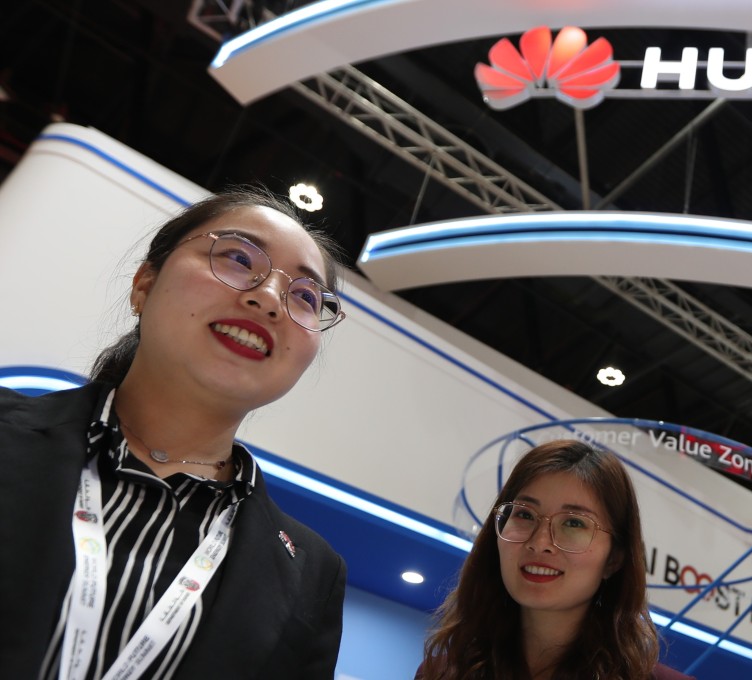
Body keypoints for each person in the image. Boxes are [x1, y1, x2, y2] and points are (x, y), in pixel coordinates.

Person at [0, 187, 348, 679]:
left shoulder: (314, 572)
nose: (270, 298)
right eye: (237, 258)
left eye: (306, 296)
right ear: (144, 284)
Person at [417, 439, 694, 680]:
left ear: (614, 559)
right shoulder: (441, 673)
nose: (540, 543)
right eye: (524, 515)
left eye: (574, 523)